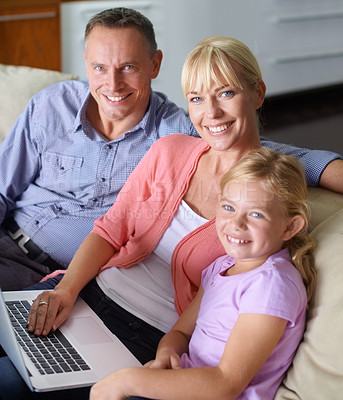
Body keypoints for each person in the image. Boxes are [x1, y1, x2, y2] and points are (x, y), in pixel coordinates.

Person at [0, 35, 338, 399]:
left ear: (257, 93)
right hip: (85, 291)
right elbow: (110, 230)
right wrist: (66, 290)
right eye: (196, 99)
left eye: (225, 93)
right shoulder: (170, 149)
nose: (211, 113)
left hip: (140, 334)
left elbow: (298, 162)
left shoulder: (265, 192)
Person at [0, 9, 343, 291]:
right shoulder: (51, 104)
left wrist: (326, 169)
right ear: (87, 62)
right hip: (6, 245)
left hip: (68, 275)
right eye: (100, 68)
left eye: (129, 68)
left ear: (155, 65)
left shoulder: (176, 134)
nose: (113, 84)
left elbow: (252, 146)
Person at [89, 147, 316, 400]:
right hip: (184, 384)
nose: (236, 224)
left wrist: (128, 381)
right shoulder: (222, 266)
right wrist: (167, 355)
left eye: (256, 214)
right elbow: (181, 333)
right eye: (229, 208)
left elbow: (226, 384)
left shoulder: (272, 285)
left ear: (291, 227)